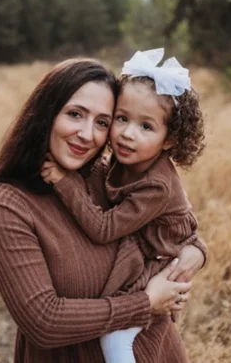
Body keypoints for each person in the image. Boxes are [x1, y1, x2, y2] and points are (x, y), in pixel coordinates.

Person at [0, 57, 206, 362]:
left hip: (157, 351)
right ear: (46, 114)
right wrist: (145, 303)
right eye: (75, 114)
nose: (86, 134)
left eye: (102, 122)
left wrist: (194, 254)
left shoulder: (102, 176)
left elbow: (172, 223)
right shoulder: (6, 204)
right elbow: (44, 322)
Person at [41, 49, 206, 363]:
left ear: (169, 140)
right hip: (143, 254)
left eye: (146, 127)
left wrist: (65, 182)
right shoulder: (125, 159)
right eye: (121, 119)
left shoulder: (157, 183)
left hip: (157, 263)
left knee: (116, 338)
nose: (128, 134)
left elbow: (105, 228)